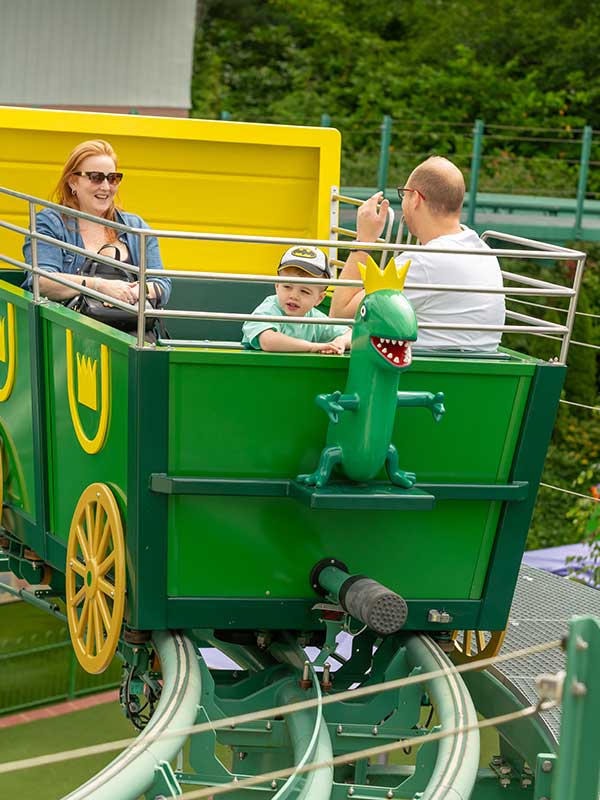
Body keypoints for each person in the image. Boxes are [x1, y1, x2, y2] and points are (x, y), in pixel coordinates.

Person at [330, 156, 505, 351]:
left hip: (425, 376)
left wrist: (364, 240)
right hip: (474, 370)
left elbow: (339, 315)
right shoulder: (483, 251)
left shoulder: (424, 262)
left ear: (415, 198)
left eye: (403, 194)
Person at [23, 139, 171, 308]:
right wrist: (100, 287)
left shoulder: (136, 227)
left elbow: (161, 284)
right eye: (96, 178)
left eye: (113, 178)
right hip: (71, 330)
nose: (106, 187)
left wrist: (128, 292)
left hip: (131, 330)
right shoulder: (51, 222)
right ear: (73, 182)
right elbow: (42, 280)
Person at [242, 246, 351, 353]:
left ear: (319, 299)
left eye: (304, 291)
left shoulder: (315, 318)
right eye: (287, 287)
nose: (294, 296)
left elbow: (353, 334)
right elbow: (268, 341)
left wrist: (340, 342)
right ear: (277, 286)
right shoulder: (269, 309)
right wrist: (311, 347)